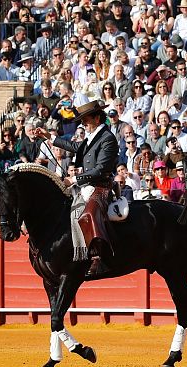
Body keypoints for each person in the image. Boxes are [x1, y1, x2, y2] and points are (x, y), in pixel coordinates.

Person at [35, 100, 119, 276]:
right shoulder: (93, 136)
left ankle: (98, 257)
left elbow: (101, 169)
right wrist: (49, 137)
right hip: (87, 185)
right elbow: (75, 147)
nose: (83, 124)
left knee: (89, 212)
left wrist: (73, 179)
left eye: (85, 120)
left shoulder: (107, 138)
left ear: (97, 118)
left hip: (101, 186)